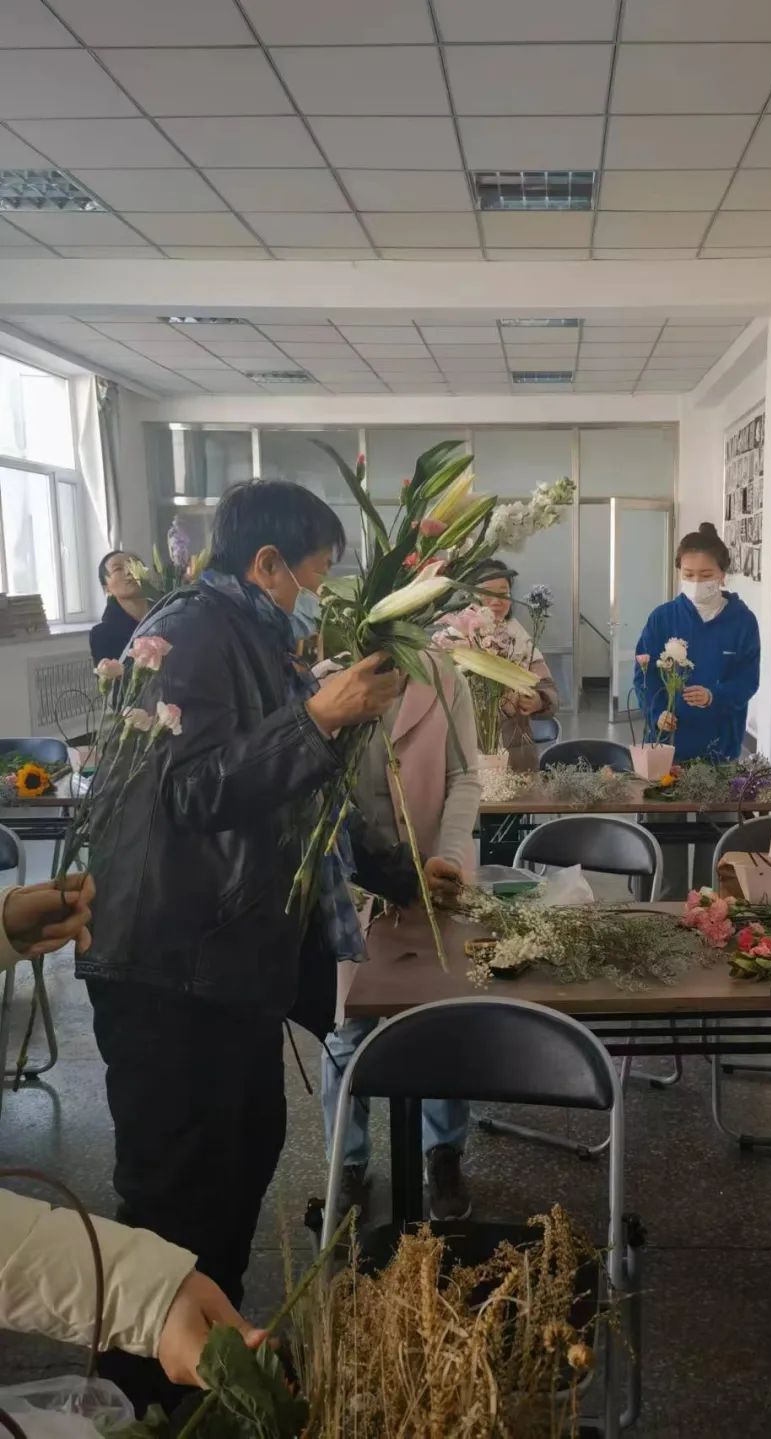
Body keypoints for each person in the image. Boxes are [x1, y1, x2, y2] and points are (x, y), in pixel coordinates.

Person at [78, 480, 403, 1411]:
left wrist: (392, 867)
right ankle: (147, 1405)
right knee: (176, 1200)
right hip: (168, 966)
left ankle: (203, 1381)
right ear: (267, 564)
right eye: (316, 572)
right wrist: (319, 717)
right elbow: (192, 788)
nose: (319, 592)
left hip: (226, 965)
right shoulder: (194, 633)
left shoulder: (254, 636)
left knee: (241, 1161)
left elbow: (292, 801)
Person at [0, 874, 264, 1389]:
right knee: (177, 1187)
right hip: (162, 980)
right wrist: (145, 1296)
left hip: (231, 979)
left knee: (237, 1171)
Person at [321, 653, 481, 1223]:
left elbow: (464, 775)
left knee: (443, 1021)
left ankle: (444, 1153)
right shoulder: (331, 681)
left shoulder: (445, 678)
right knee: (347, 1026)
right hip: (354, 883)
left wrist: (452, 857)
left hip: (438, 877)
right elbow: (319, 788)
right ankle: (348, 1161)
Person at [634, 522, 761, 891]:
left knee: (716, 839)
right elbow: (644, 676)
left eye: (705, 575)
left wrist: (715, 696)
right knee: (666, 840)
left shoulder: (742, 621)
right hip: (667, 750)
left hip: (719, 749)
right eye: (688, 574)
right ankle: (667, 903)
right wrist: (657, 712)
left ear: (722, 574)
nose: (696, 582)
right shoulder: (663, 618)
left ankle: (709, 905)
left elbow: (748, 681)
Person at [477, 562, 559, 771]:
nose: (496, 601)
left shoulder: (519, 636)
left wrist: (538, 700)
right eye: (487, 594)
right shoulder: (456, 635)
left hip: (516, 751)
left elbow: (549, 690)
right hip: (471, 750)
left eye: (503, 593)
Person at [90, 551, 149, 664]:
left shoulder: (170, 613)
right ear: (106, 588)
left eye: (134, 564)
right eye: (118, 569)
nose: (129, 571)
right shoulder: (103, 634)